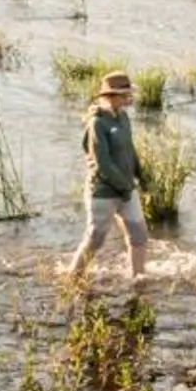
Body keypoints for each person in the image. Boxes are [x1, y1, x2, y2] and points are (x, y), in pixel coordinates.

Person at [62, 69, 147, 283]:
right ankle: (73, 275)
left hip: (127, 190)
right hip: (103, 193)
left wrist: (141, 175)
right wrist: (125, 186)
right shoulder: (97, 124)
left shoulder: (124, 117)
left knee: (139, 233)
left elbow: (130, 149)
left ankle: (138, 279)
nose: (129, 97)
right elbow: (103, 164)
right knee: (95, 238)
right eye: (125, 94)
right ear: (111, 96)